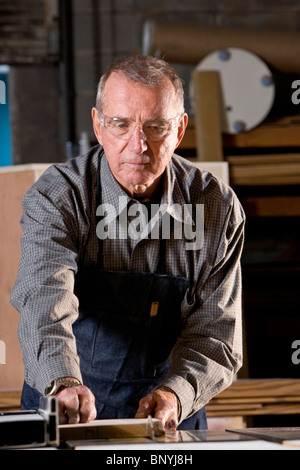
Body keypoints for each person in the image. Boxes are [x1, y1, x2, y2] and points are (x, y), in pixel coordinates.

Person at [10, 55, 245, 431]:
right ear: (98, 126)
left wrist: (176, 394)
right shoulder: (59, 195)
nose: (139, 145)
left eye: (156, 127)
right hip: (67, 401)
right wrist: (64, 382)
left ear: (180, 130)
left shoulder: (216, 208)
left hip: (167, 411)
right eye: (121, 125)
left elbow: (216, 333)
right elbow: (43, 296)